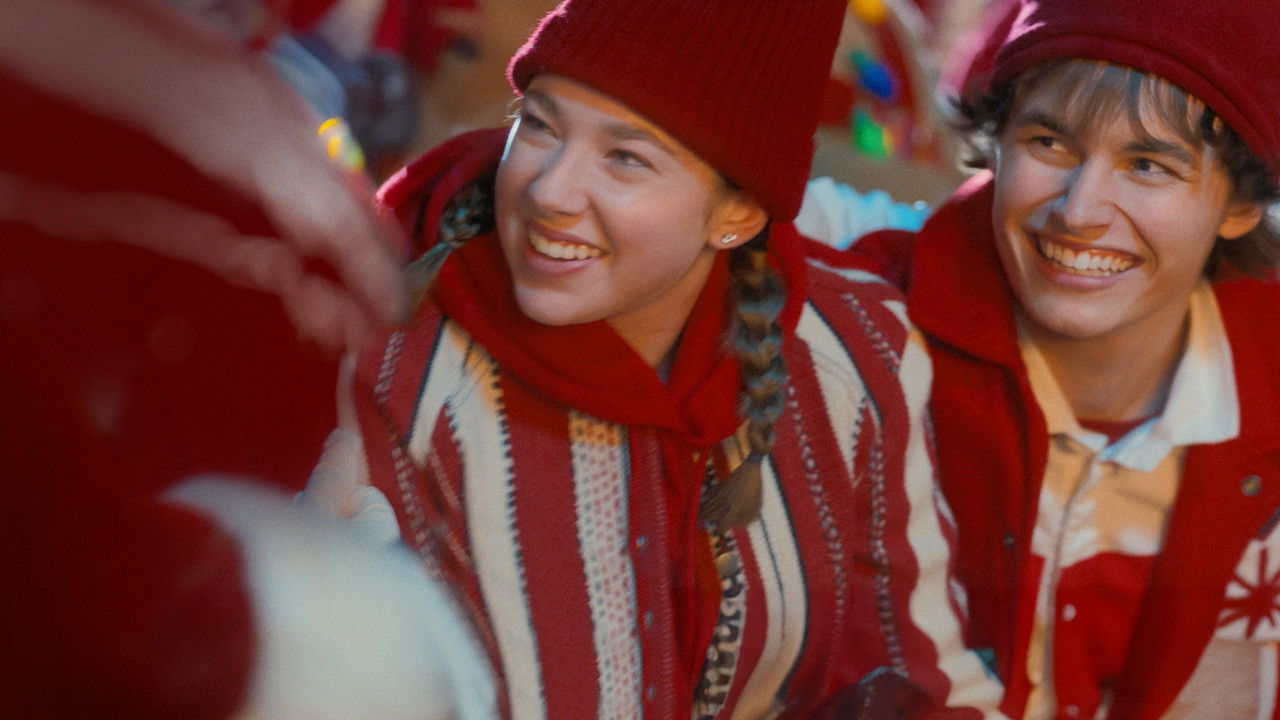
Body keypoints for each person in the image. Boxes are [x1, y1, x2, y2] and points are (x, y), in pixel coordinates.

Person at [302, 0, 1007, 718]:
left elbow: (922, 679)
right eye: (539, 124)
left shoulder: (851, 349)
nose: (549, 191)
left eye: (626, 158)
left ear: (737, 214)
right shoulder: (386, 373)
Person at [843, 0, 1280, 717]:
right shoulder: (861, 335)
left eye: (1147, 164)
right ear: (999, 140)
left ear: (1241, 204)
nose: (1078, 212)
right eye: (1049, 143)